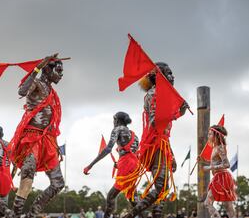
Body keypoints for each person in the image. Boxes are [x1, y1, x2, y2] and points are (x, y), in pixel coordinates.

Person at [123, 63, 188, 218]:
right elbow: (155, 122)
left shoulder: (163, 95)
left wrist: (171, 155)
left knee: (163, 187)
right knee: (160, 186)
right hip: (154, 145)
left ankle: (154, 214)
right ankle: (131, 215)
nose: (173, 77)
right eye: (169, 73)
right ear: (159, 76)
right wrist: (178, 112)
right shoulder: (153, 94)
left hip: (162, 145)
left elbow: (165, 133)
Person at [10, 54, 65, 218]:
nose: (61, 75)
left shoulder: (52, 91)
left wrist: (55, 145)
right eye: (59, 70)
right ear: (48, 69)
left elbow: (50, 121)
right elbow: (22, 90)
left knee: (58, 183)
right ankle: (15, 215)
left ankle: (32, 214)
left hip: (48, 140)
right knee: (27, 180)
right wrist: (37, 67)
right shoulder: (37, 83)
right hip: (31, 138)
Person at [84, 112, 141, 218]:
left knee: (111, 195)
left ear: (118, 120)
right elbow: (131, 153)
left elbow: (108, 148)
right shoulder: (135, 135)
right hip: (135, 166)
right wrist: (119, 164)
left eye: (114, 120)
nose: (113, 122)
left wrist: (91, 165)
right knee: (132, 198)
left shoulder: (118, 129)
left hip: (126, 164)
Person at [203, 124, 236, 218]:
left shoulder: (220, 148)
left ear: (216, 135)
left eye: (210, 134)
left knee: (208, 203)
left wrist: (210, 168)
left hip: (222, 177)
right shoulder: (215, 148)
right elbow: (215, 162)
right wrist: (202, 161)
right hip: (219, 177)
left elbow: (227, 164)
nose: (208, 136)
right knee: (228, 206)